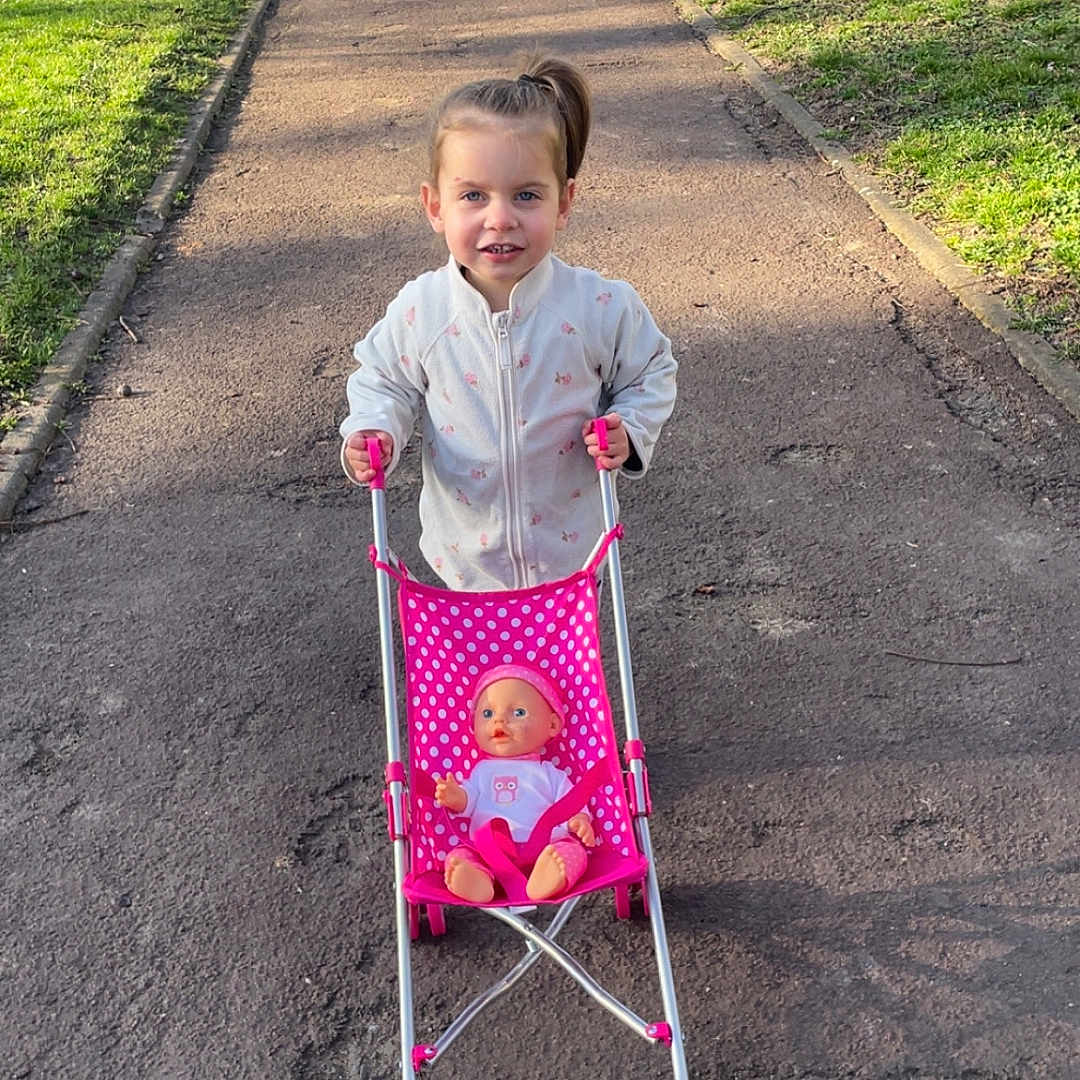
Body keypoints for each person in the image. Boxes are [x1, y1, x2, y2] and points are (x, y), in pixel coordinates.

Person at [339, 56, 677, 591]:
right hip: (464, 561)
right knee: (483, 674)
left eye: (526, 195)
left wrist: (629, 429)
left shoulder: (596, 307)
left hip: (573, 559)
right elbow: (383, 379)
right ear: (435, 206)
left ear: (564, 201)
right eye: (473, 195)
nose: (500, 218)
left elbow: (651, 369)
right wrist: (375, 428)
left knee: (556, 675)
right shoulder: (422, 312)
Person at [433, 665, 595, 903]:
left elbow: (572, 803)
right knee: (461, 855)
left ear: (552, 725)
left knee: (574, 852)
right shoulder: (482, 772)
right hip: (489, 851)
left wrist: (579, 820)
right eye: (487, 714)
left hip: (545, 847)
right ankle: (475, 880)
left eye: (518, 713)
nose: (499, 720)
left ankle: (550, 877)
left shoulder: (550, 774)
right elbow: (468, 801)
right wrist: (456, 797)